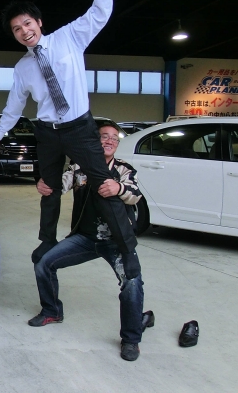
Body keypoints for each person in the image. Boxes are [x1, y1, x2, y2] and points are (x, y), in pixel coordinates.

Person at [0, 0, 139, 277]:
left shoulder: (70, 37)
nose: (24, 31)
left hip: (80, 128)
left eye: (27, 24)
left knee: (103, 183)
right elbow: (14, 106)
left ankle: (127, 247)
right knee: (48, 188)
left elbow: (101, 11)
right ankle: (46, 241)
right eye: (16, 29)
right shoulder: (23, 68)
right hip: (48, 133)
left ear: (39, 22)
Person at [32, 124, 147, 361]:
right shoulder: (79, 167)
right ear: (95, 141)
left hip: (115, 242)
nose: (109, 141)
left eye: (114, 138)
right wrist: (43, 184)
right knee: (44, 263)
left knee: (132, 281)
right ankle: (52, 311)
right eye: (104, 136)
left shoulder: (124, 169)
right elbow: (59, 185)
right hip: (84, 238)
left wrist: (118, 187)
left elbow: (135, 194)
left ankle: (131, 339)